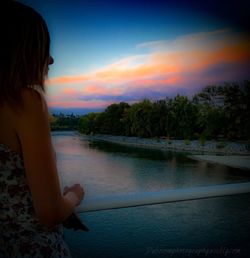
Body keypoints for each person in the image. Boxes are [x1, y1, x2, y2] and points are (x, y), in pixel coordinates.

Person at [0, 1, 85, 257]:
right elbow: (49, 213)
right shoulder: (23, 102)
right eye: (41, 48)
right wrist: (73, 197)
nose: (50, 59)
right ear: (20, 52)